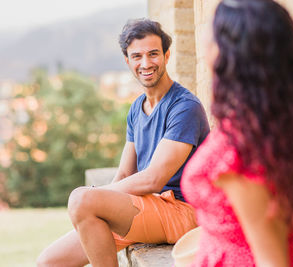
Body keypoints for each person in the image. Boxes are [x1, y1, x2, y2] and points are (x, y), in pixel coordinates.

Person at [37, 19, 210, 267]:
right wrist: (95, 205)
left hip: (183, 210)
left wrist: (90, 199)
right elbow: (125, 173)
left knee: (81, 199)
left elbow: (153, 179)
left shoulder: (184, 107)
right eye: (137, 56)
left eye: (153, 54)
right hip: (148, 206)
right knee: (49, 262)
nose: (146, 63)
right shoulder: (136, 109)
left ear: (167, 55)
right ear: (127, 61)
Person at [181, 0, 293, 266]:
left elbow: (272, 261)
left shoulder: (241, 149)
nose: (205, 37)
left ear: (228, 52)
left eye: (213, 30)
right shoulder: (269, 123)